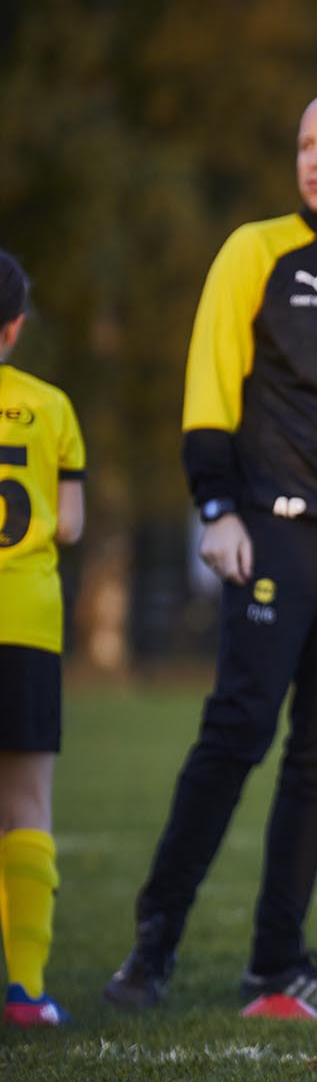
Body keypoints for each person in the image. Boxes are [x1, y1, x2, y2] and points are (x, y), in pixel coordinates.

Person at [103, 89, 317, 1013]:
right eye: (303, 143)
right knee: (237, 732)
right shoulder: (255, 251)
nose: (313, 159)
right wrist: (216, 507)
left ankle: (275, 955)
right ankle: (153, 946)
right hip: (274, 537)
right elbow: (210, 390)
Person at [0, 251, 86, 1027]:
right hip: (25, 620)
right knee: (25, 804)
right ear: (15, 327)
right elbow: (69, 523)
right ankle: (26, 990)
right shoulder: (50, 405)